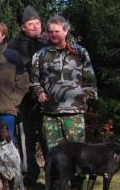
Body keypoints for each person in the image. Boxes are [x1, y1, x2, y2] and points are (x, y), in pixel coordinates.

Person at [29, 15, 98, 168]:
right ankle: (55, 185)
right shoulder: (40, 54)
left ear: (66, 31)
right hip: (50, 111)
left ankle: (75, 185)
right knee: (53, 152)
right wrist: (39, 92)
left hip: (74, 111)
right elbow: (33, 80)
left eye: (57, 31)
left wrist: (86, 97)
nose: (53, 34)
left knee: (77, 151)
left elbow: (90, 79)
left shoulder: (80, 52)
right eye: (50, 32)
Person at [10, 5, 48, 185]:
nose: (35, 27)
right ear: (23, 28)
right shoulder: (15, 46)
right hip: (24, 98)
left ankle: (53, 172)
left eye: (38, 23)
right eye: (31, 24)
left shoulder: (49, 41)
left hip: (46, 98)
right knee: (26, 136)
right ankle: (29, 173)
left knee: (48, 136)